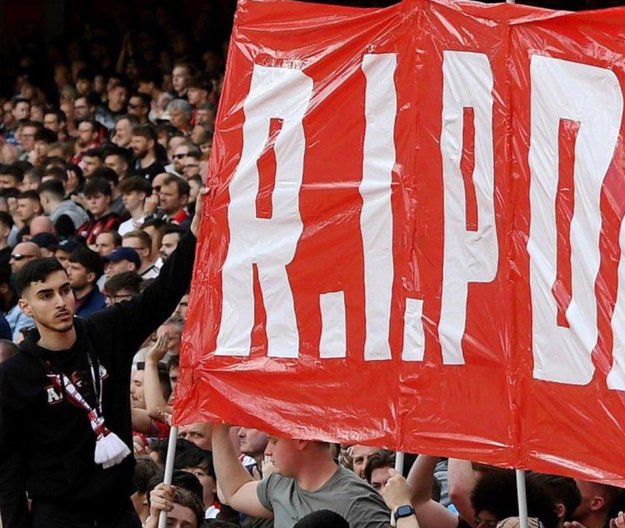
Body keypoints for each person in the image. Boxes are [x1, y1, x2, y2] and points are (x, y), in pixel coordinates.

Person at [0, 190, 199, 526]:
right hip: (58, 515)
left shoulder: (106, 331)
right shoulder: (15, 375)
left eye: (65, 290)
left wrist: (194, 231)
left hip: (116, 509)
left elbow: (162, 294)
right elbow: (8, 466)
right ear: (25, 307)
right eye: (46, 296)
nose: (61, 301)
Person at [211, 427, 391, 527]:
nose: (268, 451)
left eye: (274, 441)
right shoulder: (281, 484)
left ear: (301, 440)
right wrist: (219, 429)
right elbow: (235, 491)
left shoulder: (359, 503)